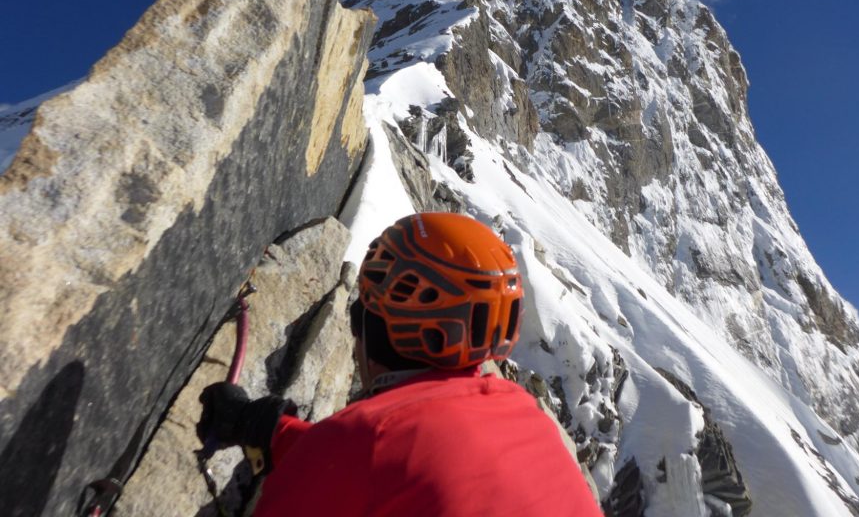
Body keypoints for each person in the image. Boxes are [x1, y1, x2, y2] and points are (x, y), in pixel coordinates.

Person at [197, 212, 603, 516]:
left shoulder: (366, 439)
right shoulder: (523, 416)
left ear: (370, 321)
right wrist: (274, 431)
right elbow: (401, 471)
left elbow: (367, 461)